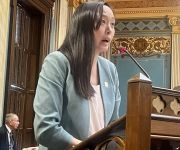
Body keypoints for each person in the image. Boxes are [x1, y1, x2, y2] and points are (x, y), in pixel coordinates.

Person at [33, 1, 121, 150]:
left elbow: (114, 127)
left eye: (112, 24)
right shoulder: (57, 62)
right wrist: (84, 146)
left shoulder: (110, 69)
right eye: (102, 22)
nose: (109, 30)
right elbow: (45, 128)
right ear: (83, 25)